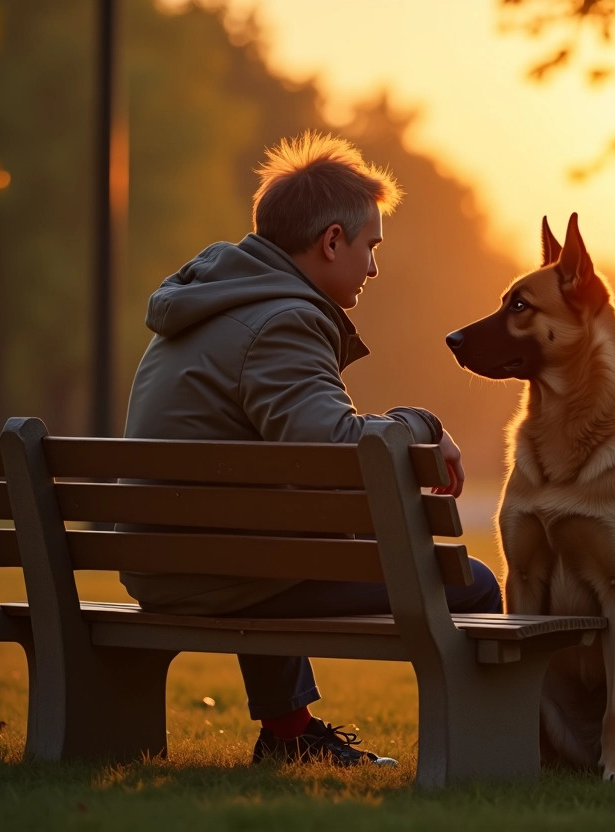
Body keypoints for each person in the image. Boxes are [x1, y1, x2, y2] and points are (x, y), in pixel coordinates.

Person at [119, 131, 503, 768]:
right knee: (472, 584)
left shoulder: (208, 306)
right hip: (214, 572)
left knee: (278, 537)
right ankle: (487, 753)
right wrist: (424, 423)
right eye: (370, 246)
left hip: (167, 561)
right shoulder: (282, 321)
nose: (374, 267)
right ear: (331, 241)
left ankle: (290, 734)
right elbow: (340, 453)